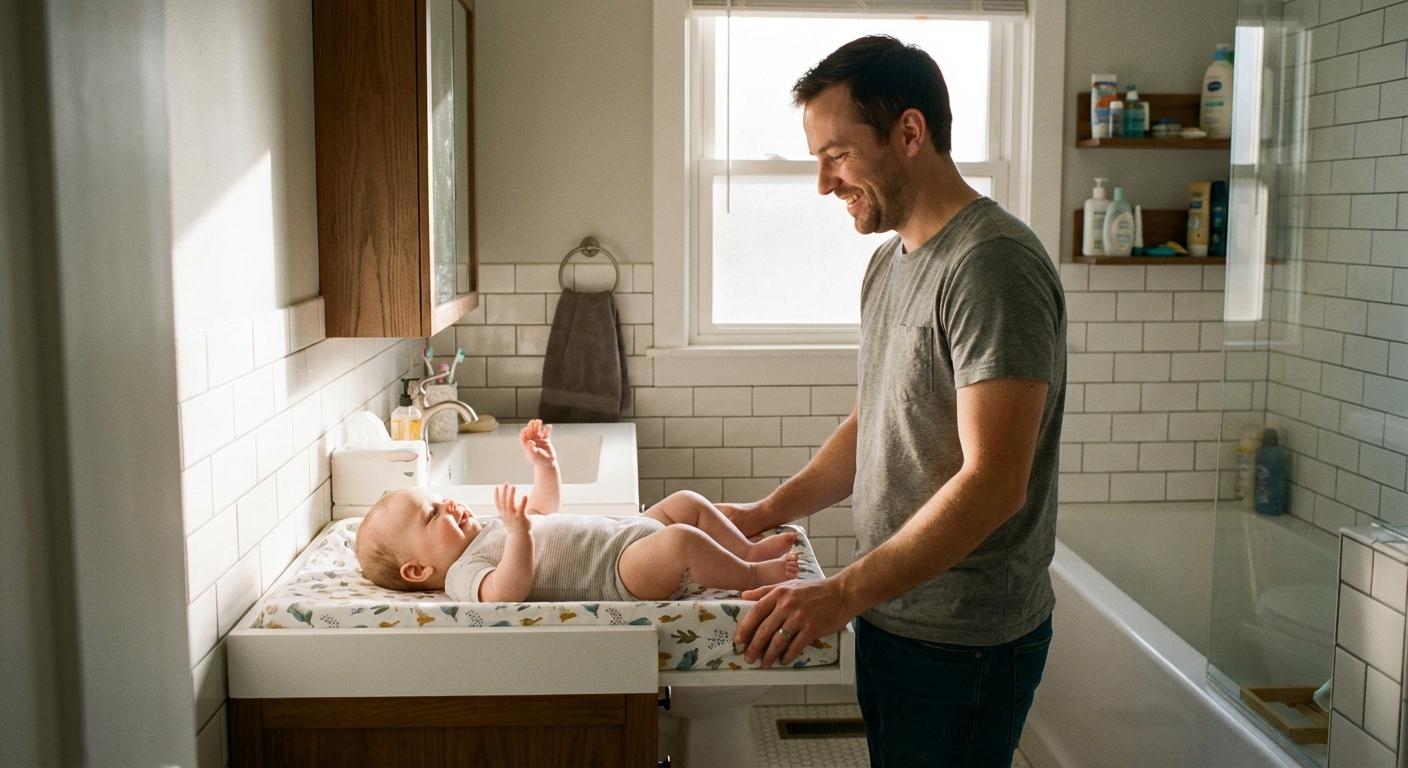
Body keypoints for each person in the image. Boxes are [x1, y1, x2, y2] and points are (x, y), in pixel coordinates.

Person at [720, 35, 1067, 767]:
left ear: (910, 133)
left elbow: (995, 483)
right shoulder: (891, 262)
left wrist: (841, 593)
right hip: (896, 616)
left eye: (837, 155)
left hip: (964, 641)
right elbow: (875, 422)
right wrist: (761, 515)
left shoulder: (991, 264)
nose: (823, 185)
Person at [355, 419, 800, 603]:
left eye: (439, 499)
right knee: (681, 543)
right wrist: (518, 535)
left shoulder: (488, 529)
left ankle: (746, 550)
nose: (449, 504)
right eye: (433, 514)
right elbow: (506, 593)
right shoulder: (462, 576)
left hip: (624, 534)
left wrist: (545, 467)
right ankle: (754, 577)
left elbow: (545, 508)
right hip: (618, 573)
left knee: (685, 502)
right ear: (417, 570)